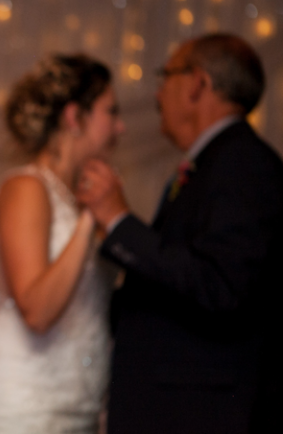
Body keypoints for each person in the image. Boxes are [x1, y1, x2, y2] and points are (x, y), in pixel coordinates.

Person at [77, 34, 283, 433]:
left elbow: (221, 283)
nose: (158, 93)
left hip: (198, 412)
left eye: (166, 76)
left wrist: (120, 221)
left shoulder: (244, 163)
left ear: (197, 84)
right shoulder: (213, 161)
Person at [0, 54, 123, 432]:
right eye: (110, 112)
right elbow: (37, 311)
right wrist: (90, 218)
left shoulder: (76, 197)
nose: (119, 127)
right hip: (26, 407)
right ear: (74, 117)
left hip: (82, 408)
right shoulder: (26, 186)